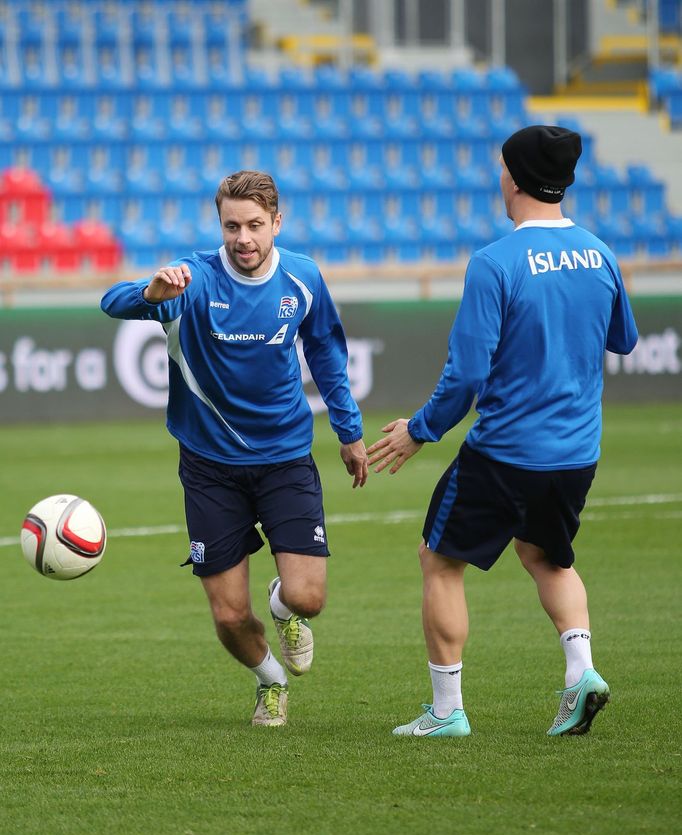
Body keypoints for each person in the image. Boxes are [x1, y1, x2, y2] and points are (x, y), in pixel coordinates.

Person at [367, 125, 638, 738]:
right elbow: (623, 339)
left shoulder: (495, 263)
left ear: (513, 177)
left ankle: (445, 711)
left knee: (439, 560)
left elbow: (466, 373)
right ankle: (581, 672)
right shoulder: (600, 254)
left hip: (507, 451)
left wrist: (419, 430)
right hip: (576, 453)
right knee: (548, 557)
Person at [101, 170, 368, 727]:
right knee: (227, 616)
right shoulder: (191, 279)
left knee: (308, 598)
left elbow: (326, 355)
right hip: (209, 466)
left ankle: (284, 608)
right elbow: (112, 301)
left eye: (253, 225)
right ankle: (269, 682)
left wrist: (349, 432)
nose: (243, 238)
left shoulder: (303, 277)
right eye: (231, 226)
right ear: (219, 224)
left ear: (277, 222)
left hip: (285, 457)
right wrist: (150, 293)